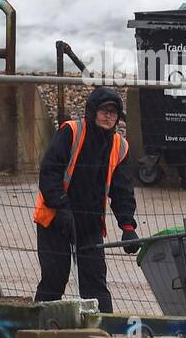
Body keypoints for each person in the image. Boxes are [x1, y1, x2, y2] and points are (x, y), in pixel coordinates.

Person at [33, 86, 138, 313]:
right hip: (54, 219)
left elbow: (122, 191)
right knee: (53, 281)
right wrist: (61, 207)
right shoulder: (71, 132)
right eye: (103, 110)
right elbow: (49, 172)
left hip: (90, 224)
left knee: (95, 285)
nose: (108, 116)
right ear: (92, 111)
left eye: (113, 111)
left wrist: (128, 226)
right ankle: (38, 331)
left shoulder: (120, 146)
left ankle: (103, 336)